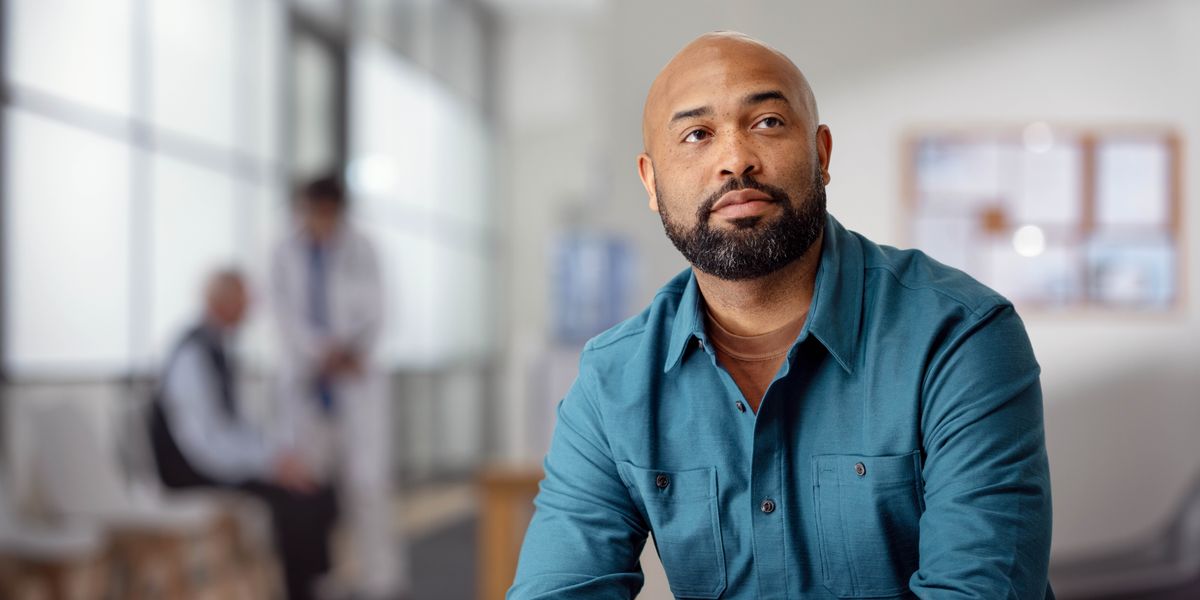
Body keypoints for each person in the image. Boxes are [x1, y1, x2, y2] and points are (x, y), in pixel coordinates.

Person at [509, 32, 1053, 599]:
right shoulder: (613, 378)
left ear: (821, 154)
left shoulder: (960, 335)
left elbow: (976, 590)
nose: (735, 159)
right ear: (651, 181)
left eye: (767, 122)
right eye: (696, 135)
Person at [149, 269, 338, 600]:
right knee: (294, 499)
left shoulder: (218, 349)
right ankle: (302, 592)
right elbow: (204, 440)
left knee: (318, 490)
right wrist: (268, 466)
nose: (250, 308)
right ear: (222, 302)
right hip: (189, 470)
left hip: (213, 458)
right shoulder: (192, 355)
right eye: (243, 299)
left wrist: (277, 456)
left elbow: (234, 427)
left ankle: (315, 585)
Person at [270, 175, 407, 599]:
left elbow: (379, 310)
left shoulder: (363, 248)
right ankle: (321, 575)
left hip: (354, 380)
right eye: (312, 211)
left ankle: (379, 578)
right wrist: (319, 353)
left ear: (339, 211)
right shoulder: (284, 252)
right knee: (311, 487)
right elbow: (285, 318)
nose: (319, 221)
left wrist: (349, 352)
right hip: (308, 384)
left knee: (367, 485)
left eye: (328, 213)